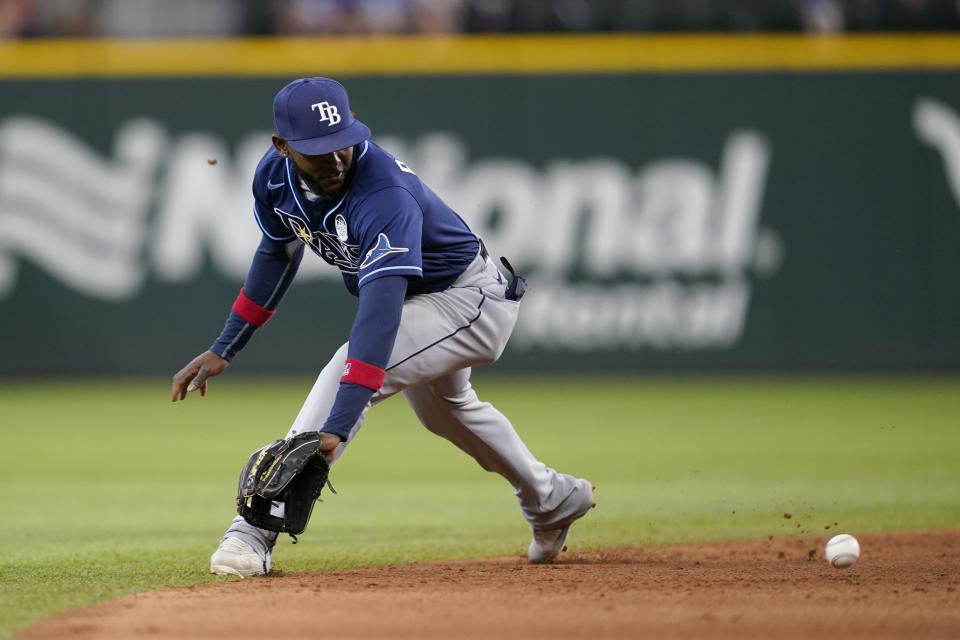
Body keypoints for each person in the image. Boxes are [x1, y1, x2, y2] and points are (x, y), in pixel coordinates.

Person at [170, 77, 594, 577]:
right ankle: (551, 499)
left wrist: (338, 424)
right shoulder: (273, 177)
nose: (334, 160)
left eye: (341, 145)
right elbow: (276, 253)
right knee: (446, 413)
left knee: (342, 370)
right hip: (429, 304)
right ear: (281, 147)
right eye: (316, 150)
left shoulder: (382, 192)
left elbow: (381, 312)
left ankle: (253, 532)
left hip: (468, 299)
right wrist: (227, 346)